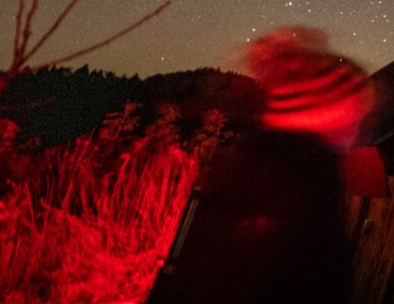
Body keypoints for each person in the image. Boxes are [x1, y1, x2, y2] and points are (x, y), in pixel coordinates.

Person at [147, 27, 374, 304]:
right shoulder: (293, 189)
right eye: (354, 113)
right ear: (328, 115)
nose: (359, 127)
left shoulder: (258, 170)